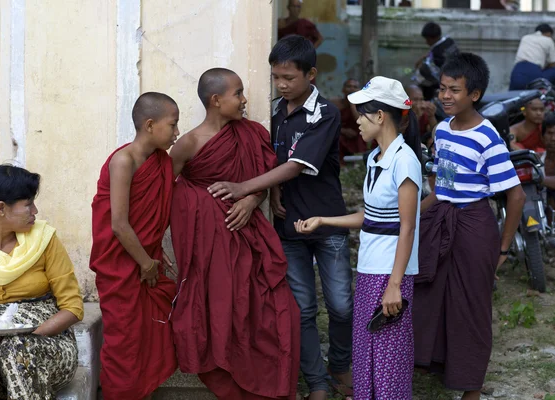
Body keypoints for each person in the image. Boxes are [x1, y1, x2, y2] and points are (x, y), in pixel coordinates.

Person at [207, 35, 353, 400]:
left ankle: (340, 365)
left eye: (289, 78)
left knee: (340, 304)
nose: (282, 85)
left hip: (328, 222)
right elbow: (269, 161)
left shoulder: (327, 114)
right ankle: (317, 382)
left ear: (312, 75)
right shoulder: (274, 112)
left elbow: (294, 166)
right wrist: (268, 193)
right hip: (288, 227)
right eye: (276, 77)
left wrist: (244, 188)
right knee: (301, 308)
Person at [168, 68, 300, 400]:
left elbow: (264, 181)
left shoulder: (253, 133)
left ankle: (268, 385)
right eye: (238, 94)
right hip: (208, 246)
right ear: (216, 100)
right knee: (220, 310)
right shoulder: (188, 144)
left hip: (249, 238)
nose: (244, 101)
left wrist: (252, 201)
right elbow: (166, 192)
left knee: (273, 309)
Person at [295, 77, 422, 399]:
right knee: (367, 353)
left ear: (380, 116)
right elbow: (371, 217)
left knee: (388, 357)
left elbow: (407, 227)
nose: (357, 122)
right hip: (369, 270)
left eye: (362, 115)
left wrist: (394, 284)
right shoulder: (375, 159)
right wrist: (323, 220)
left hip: (389, 274)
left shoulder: (404, 160)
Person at [415, 53, 526, 400]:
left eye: (455, 90)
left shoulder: (487, 137)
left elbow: (517, 196)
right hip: (442, 217)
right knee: (430, 295)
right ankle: (438, 364)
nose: (445, 96)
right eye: (443, 89)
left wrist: (503, 249)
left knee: (472, 307)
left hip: (474, 225)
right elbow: (440, 184)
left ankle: (472, 387)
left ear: (474, 94)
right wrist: (413, 218)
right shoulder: (443, 129)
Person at [0, 165, 84, 398]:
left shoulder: (44, 239)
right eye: (28, 204)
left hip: (47, 344)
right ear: (1, 209)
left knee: (16, 352)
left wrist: (29, 334)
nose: (35, 211)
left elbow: (73, 308)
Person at [90, 92, 180, 400]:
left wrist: (156, 251)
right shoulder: (123, 161)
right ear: (150, 125)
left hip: (144, 259)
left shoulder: (161, 162)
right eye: (173, 124)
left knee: (148, 340)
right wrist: (146, 263)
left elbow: (149, 219)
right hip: (122, 265)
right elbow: (118, 223)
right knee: (124, 342)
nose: (177, 132)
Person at [415, 22, 459, 100]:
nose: (426, 42)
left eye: (427, 39)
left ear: (432, 38)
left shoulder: (437, 52)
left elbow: (433, 73)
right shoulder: (449, 41)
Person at [509, 24, 555, 90]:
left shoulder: (525, 38)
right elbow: (553, 64)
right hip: (534, 72)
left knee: (513, 97)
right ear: (549, 33)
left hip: (517, 70)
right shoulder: (548, 40)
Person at [332, 78, 369, 161]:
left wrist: (352, 103)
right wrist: (343, 131)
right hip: (340, 134)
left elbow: (359, 121)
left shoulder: (363, 105)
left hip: (357, 135)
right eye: (349, 86)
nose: (352, 89)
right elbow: (328, 124)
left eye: (355, 87)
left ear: (359, 90)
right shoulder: (336, 104)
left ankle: (358, 165)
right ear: (343, 89)